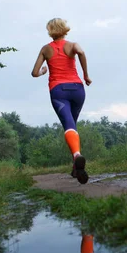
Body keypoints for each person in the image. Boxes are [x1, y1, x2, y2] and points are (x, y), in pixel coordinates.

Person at [31, 18, 92, 184]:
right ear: (65, 29)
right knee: (72, 125)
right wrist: (85, 75)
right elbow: (81, 52)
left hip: (58, 91)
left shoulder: (45, 49)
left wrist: (44, 71)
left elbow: (34, 72)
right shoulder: (73, 45)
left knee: (69, 126)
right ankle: (75, 168)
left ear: (50, 30)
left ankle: (77, 156)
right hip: (78, 89)